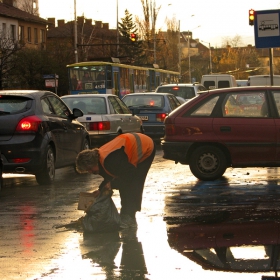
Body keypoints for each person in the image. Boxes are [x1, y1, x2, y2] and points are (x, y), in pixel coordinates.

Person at [76, 133, 156, 229]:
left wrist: (112, 184)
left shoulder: (111, 160)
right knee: (123, 182)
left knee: (133, 184)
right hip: (130, 146)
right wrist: (100, 190)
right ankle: (126, 214)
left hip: (146, 147)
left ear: (93, 162)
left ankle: (129, 217)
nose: (90, 172)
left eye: (89, 169)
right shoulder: (101, 159)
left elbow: (130, 175)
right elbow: (109, 176)